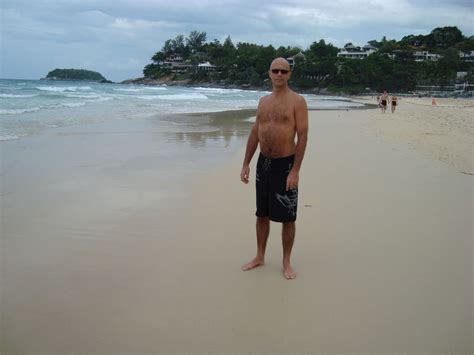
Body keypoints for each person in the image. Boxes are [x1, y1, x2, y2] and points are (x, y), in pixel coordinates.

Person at [240, 58, 308, 280]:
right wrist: (246, 163)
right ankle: (260, 256)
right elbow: (255, 133)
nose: (279, 74)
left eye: (283, 71)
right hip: (264, 164)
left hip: (285, 164)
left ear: (289, 75)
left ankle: (286, 262)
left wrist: (295, 170)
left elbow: (303, 136)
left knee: (288, 217)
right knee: (262, 214)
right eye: (275, 71)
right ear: (269, 73)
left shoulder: (298, 102)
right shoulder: (263, 101)